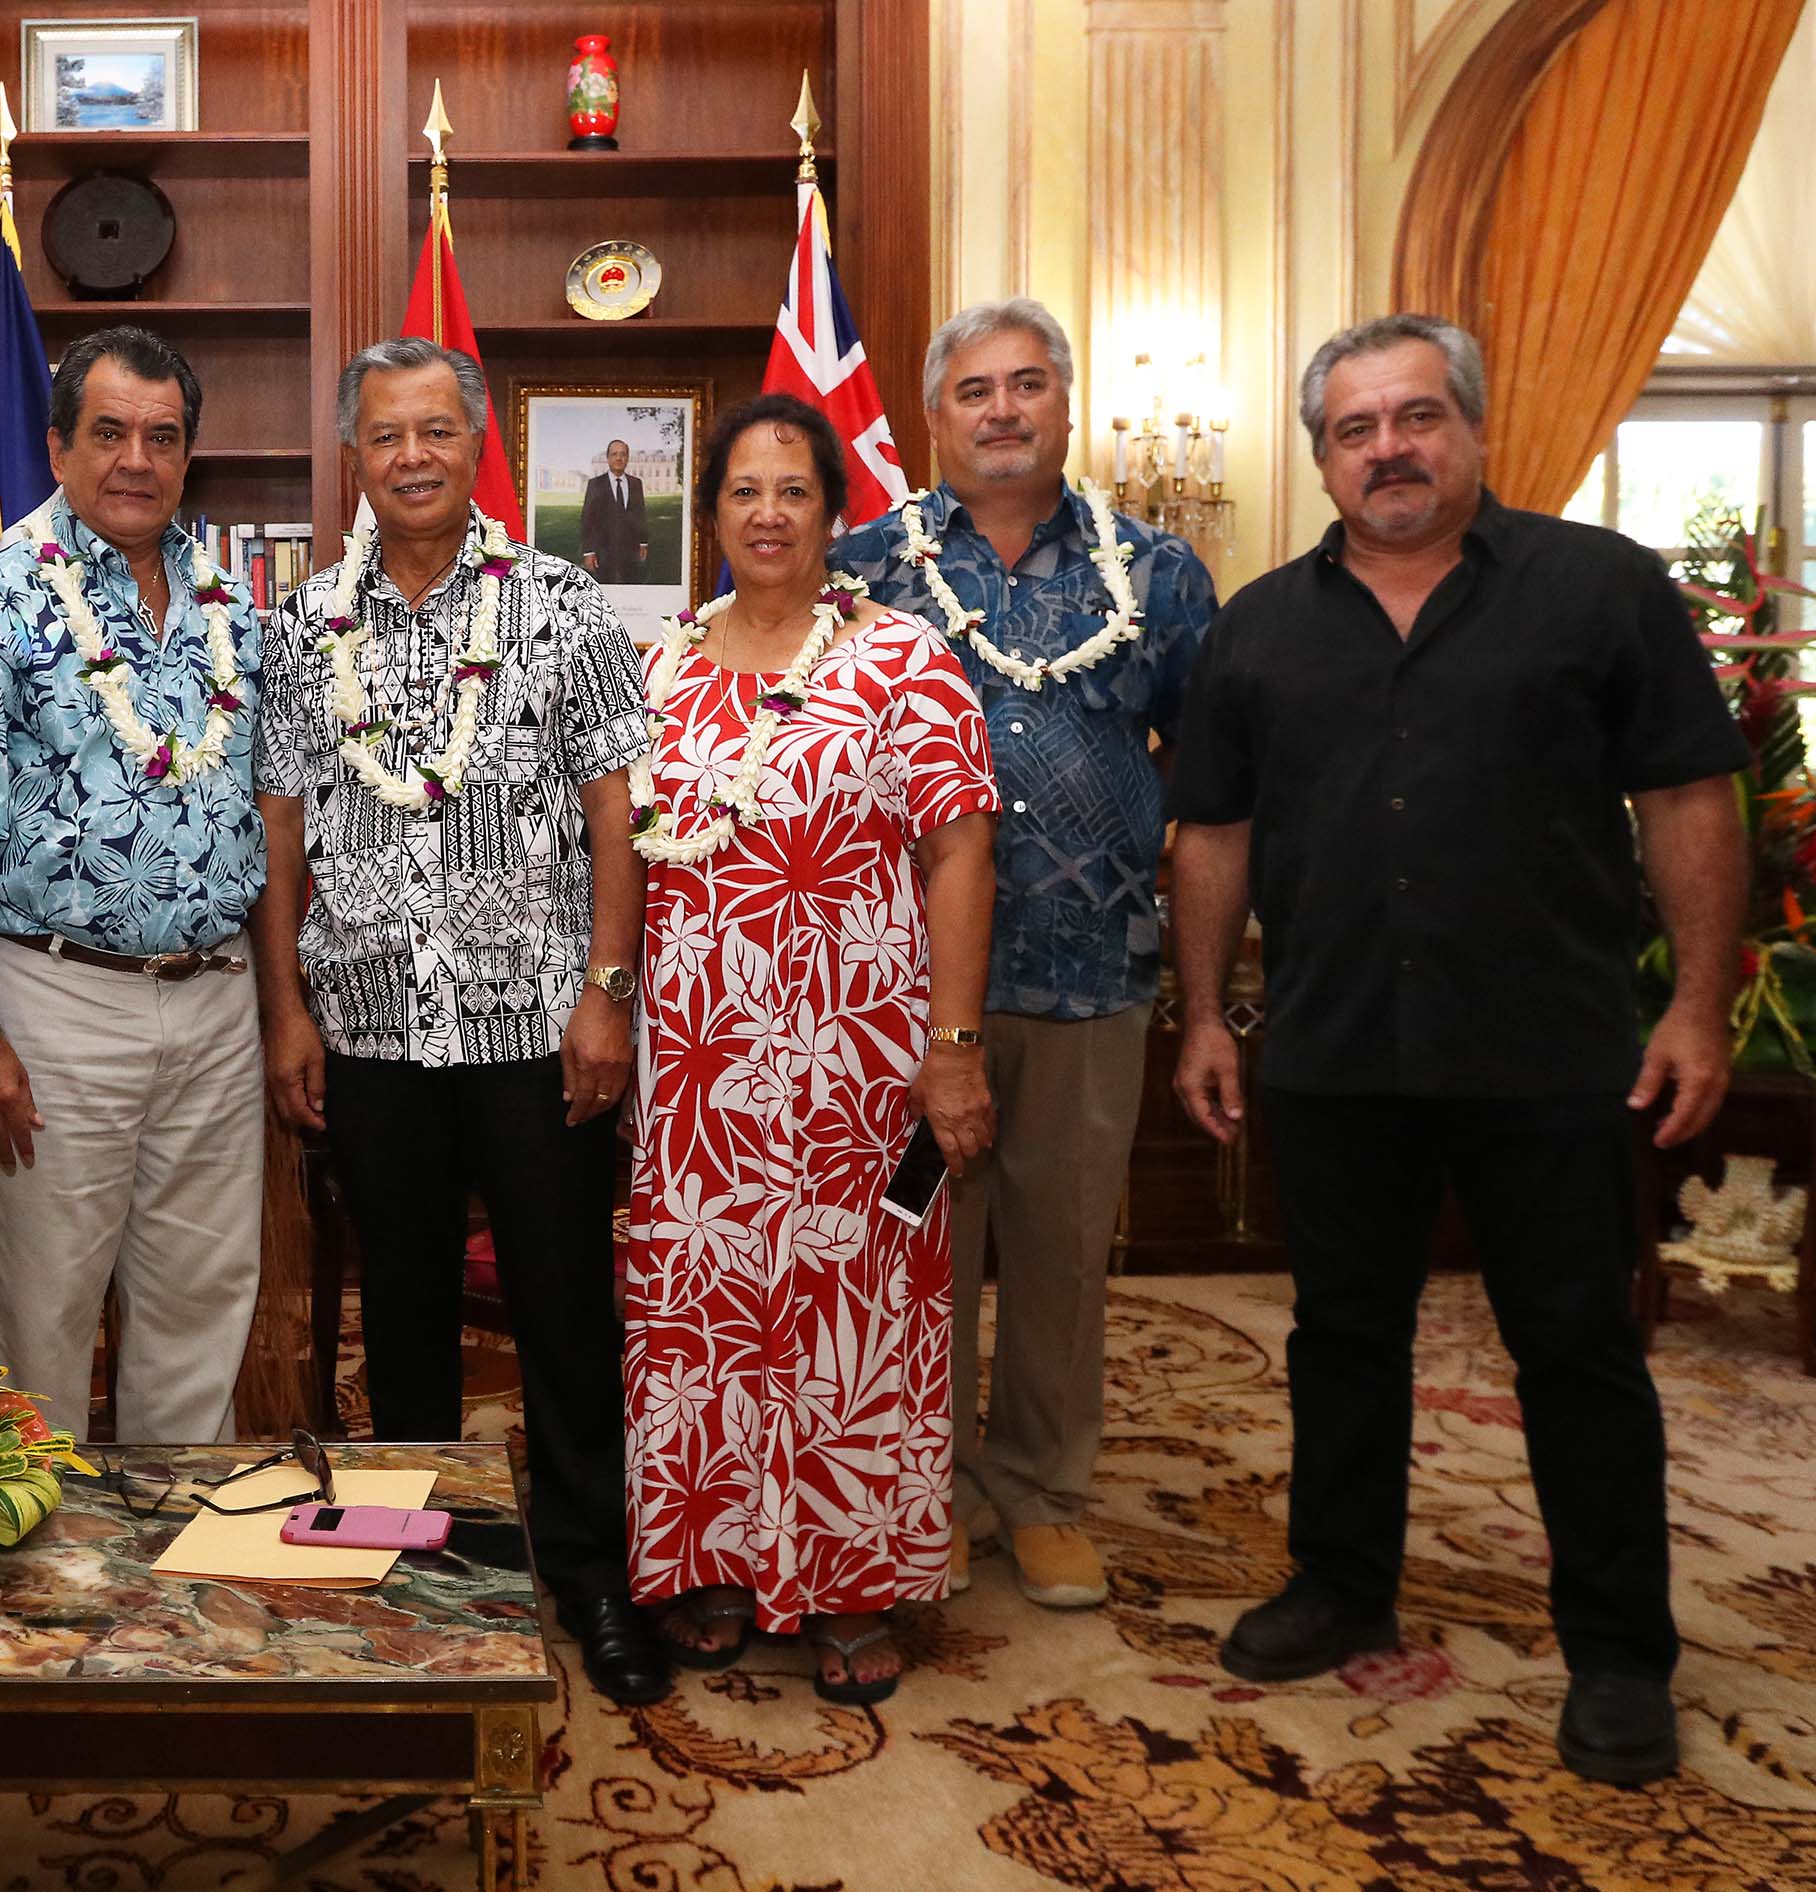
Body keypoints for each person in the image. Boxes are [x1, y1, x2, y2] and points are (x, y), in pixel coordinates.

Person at [1167, 314, 1745, 1785]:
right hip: (1336, 1047)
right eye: (1355, 430)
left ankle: (1620, 1652)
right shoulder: (1260, 625)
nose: (1389, 450)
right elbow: (1214, 833)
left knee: (1576, 1350)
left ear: (1474, 431)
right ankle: (1342, 1583)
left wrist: (1692, 1006)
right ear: (1321, 459)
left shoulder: (1600, 592)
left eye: (1416, 418)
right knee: (1341, 1341)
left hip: (1546, 1051)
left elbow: (1688, 798)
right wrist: (1200, 1014)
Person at [256, 336, 670, 1707]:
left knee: (564, 1310)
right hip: (371, 1025)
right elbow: (279, 838)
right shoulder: (303, 626)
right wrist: (287, 1014)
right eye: (387, 436)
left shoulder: (565, 603)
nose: (414, 457)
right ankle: (428, 1562)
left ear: (475, 442)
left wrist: (607, 997)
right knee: (409, 1312)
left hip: (537, 1025)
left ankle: (589, 1572)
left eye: (439, 430)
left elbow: (621, 816)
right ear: (352, 457)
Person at [831, 298, 1216, 1610]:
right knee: (916, 1250)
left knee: (1057, 1251)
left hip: (1092, 975)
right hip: (902, 989)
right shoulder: (862, 569)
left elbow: (1212, 778)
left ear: (1066, 402)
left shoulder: (1157, 575)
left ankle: (1045, 1490)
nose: (1003, 410)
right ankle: (917, 1489)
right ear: (933, 418)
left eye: (1028, 385)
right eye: (976, 390)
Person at [622, 392, 1000, 1703]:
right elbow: (620, 853)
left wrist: (952, 1045)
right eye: (743, 491)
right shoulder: (660, 666)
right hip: (699, 1067)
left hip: (858, 1062)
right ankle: (715, 1565)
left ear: (834, 514)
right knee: (709, 1311)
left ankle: (849, 1584)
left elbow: (960, 849)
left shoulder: (902, 659)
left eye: (794, 490)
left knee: (857, 1313)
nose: (769, 513)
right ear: (710, 515)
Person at [0, 326, 266, 1441]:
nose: (136, 461)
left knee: (202, 1310)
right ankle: (43, 1594)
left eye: (162, 437)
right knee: (45, 1320)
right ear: (58, 447)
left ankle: (170, 1585)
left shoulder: (234, 604)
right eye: (107, 433)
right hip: (55, 1000)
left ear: (189, 454)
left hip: (216, 998)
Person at [580, 438, 651, 584]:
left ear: (627, 458)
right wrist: (589, 552)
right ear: (608, 458)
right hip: (603, 552)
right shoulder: (595, 485)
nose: (619, 458)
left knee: (630, 589)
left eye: (623, 454)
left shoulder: (636, 484)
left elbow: (640, 514)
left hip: (630, 552)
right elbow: (588, 520)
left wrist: (643, 542)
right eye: (614, 454)